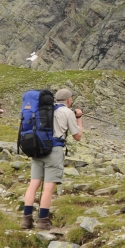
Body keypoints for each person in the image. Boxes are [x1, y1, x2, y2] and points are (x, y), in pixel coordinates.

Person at [21, 88, 82, 230]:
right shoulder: (67, 112)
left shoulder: (45, 109)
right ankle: (43, 221)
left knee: (33, 185)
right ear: (68, 100)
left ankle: (26, 220)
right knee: (48, 188)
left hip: (38, 148)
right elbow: (77, 136)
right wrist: (79, 118)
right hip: (54, 151)